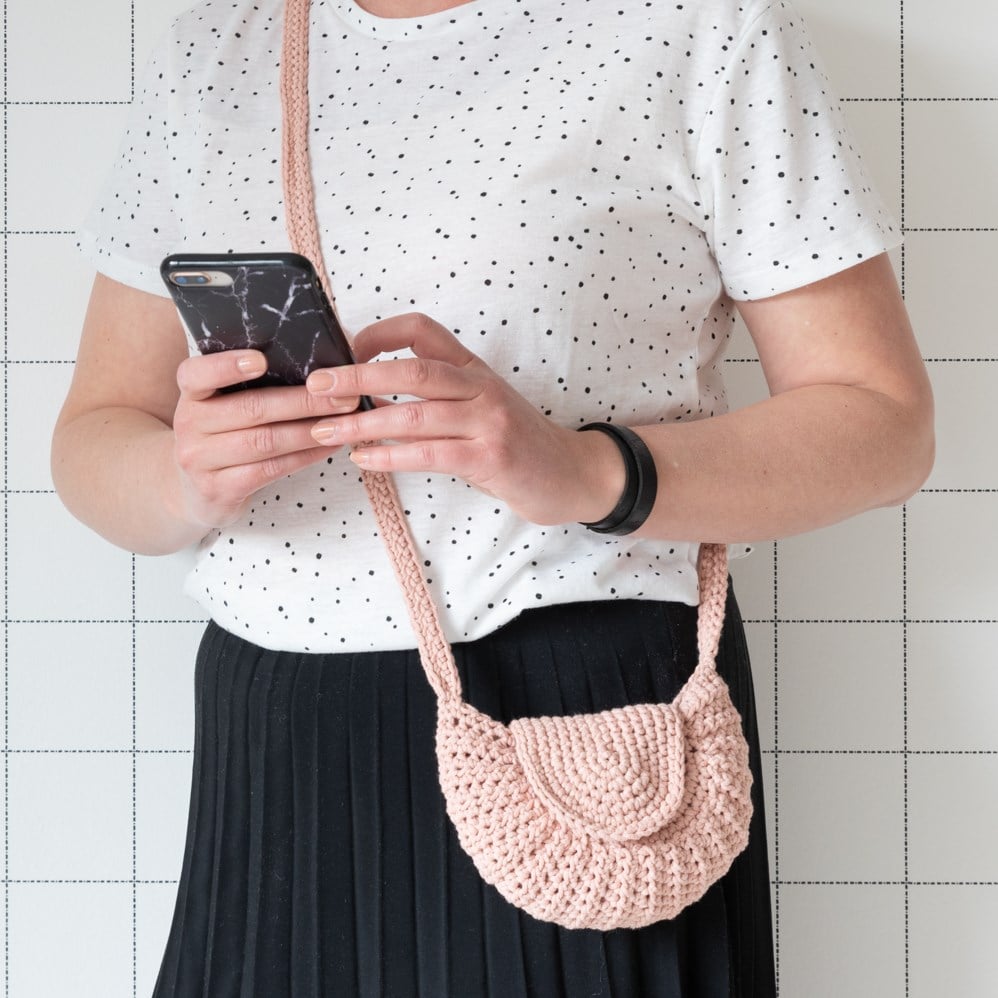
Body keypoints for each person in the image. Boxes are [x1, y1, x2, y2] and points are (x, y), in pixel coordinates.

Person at [52, 0, 934, 994]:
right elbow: (95, 436)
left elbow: (881, 422)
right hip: (278, 740)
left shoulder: (694, 24)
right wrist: (186, 471)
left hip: (581, 715)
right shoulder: (224, 44)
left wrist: (584, 467)